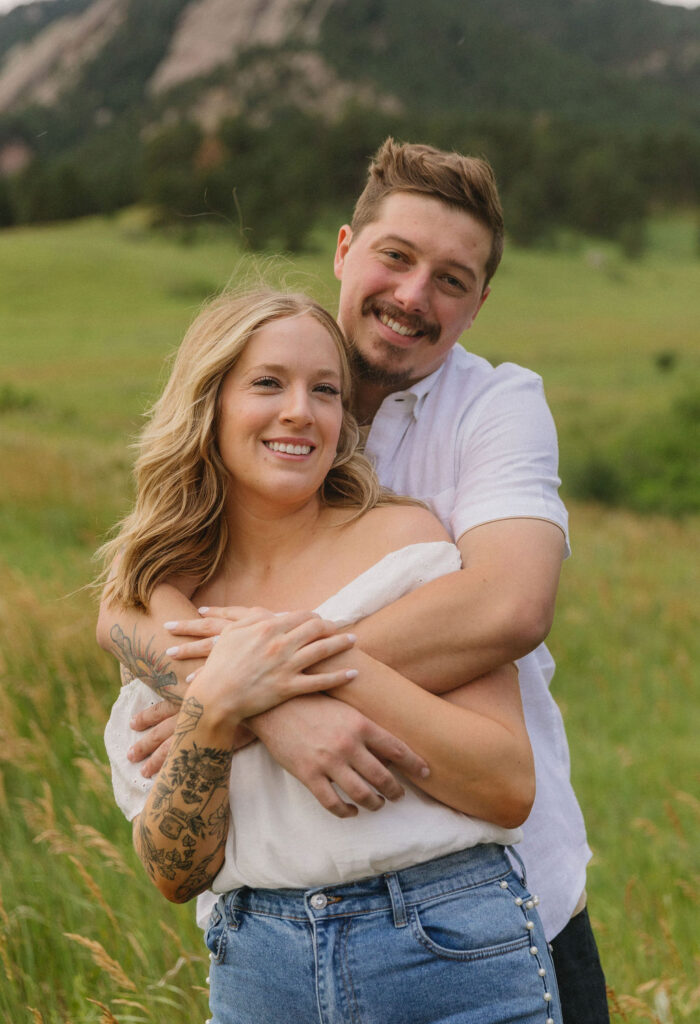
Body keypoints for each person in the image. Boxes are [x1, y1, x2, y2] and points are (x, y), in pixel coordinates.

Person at [97, 139, 609, 1023]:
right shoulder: (190, 564)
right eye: (396, 257)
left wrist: (256, 691)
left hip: (492, 907)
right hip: (262, 954)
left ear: (480, 302)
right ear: (345, 249)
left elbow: (507, 605)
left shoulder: (490, 412)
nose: (414, 296)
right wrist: (242, 703)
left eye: (453, 279)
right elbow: (124, 600)